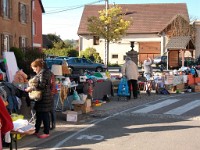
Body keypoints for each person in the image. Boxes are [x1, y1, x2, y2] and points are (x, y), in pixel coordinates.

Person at [25, 59, 53, 139]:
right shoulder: (46, 72)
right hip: (44, 96)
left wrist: (31, 88)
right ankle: (36, 130)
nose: (34, 70)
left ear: (38, 67)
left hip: (43, 97)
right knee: (39, 114)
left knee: (44, 115)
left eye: (34, 68)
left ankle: (46, 132)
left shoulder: (43, 73)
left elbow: (41, 86)